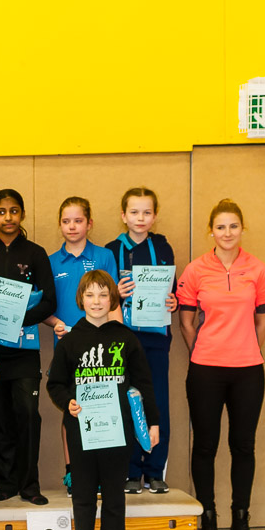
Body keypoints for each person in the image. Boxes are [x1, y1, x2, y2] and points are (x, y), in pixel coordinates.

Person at [47, 271, 160, 530]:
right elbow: (55, 384)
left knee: (113, 495)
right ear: (80, 299)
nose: (96, 301)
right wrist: (68, 401)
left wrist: (153, 423)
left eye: (102, 295)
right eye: (90, 295)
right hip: (81, 431)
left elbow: (144, 384)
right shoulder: (70, 341)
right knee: (83, 494)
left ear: (112, 300)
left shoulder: (126, 338)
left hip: (117, 430)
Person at [177, 199, 265, 530]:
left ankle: (240, 521)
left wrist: (246, 349)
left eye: (233, 226)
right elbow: (186, 322)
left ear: (242, 229)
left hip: (248, 370)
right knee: (205, 446)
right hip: (206, 369)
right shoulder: (195, 270)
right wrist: (204, 350)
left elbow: (262, 321)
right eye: (220, 227)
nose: (227, 233)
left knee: (243, 446)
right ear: (211, 231)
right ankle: (208, 521)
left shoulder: (258, 270)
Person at [0, 189, 58, 505]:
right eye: (2, 211)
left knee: (28, 415)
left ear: (22, 214)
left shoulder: (35, 253)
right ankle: (5, 483)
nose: (8, 217)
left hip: (24, 351)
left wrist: (19, 319)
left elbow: (49, 302)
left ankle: (30, 485)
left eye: (14, 211)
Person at [107, 186, 178, 495]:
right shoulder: (111, 250)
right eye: (134, 212)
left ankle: (154, 470)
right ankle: (131, 470)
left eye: (147, 212)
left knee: (157, 402)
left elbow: (172, 289)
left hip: (156, 339)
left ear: (155, 216)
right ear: (123, 216)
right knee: (126, 402)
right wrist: (116, 293)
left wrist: (173, 301)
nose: (140, 218)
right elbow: (101, 295)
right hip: (123, 340)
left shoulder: (163, 248)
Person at [45, 196, 117, 496]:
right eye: (66, 221)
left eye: (78, 220)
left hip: (102, 349)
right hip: (68, 348)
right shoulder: (50, 261)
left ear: (89, 223)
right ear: (60, 224)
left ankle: (101, 473)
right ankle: (73, 472)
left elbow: (114, 301)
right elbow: (44, 307)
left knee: (102, 406)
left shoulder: (104, 256)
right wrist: (55, 323)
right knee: (72, 409)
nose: (72, 226)